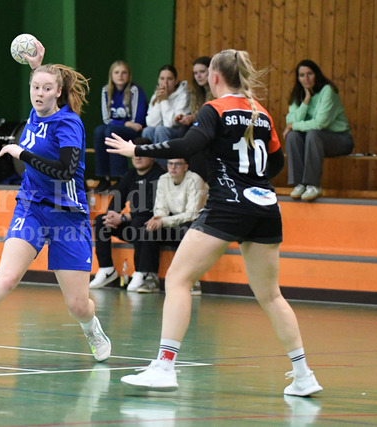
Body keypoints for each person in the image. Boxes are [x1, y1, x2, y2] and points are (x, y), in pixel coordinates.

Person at [105, 49, 322, 397]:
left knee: (177, 278)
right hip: (266, 207)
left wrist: (138, 150)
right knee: (271, 295)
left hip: (228, 206)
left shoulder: (214, 109)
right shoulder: (260, 112)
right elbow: (276, 163)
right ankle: (303, 375)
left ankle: (164, 367)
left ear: (215, 77)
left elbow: (188, 145)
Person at [0, 40, 111, 363]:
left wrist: (23, 154)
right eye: (35, 88)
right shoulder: (37, 111)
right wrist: (37, 66)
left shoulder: (69, 124)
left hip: (68, 215)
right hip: (31, 207)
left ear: (58, 93)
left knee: (78, 305)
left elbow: (65, 171)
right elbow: (42, 83)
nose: (39, 94)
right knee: (6, 277)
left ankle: (92, 328)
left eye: (47, 89)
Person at [88, 138, 164, 291]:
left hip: (156, 229)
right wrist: (111, 215)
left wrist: (123, 218)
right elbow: (119, 196)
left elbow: (152, 208)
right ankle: (107, 269)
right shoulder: (131, 174)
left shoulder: (160, 175)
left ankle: (141, 272)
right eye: (135, 153)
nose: (137, 157)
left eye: (142, 153)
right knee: (101, 221)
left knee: (140, 221)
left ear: (152, 156)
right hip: (135, 227)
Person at [134, 156, 206, 294]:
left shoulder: (195, 180)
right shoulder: (163, 179)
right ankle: (151, 278)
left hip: (197, 225)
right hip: (173, 222)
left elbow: (191, 214)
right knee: (150, 229)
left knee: (188, 230)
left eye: (177, 164)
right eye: (170, 164)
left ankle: (192, 279)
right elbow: (160, 207)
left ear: (186, 166)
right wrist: (157, 218)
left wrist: (164, 221)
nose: (173, 167)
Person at [284, 59, 354, 201]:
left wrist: (293, 126)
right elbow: (291, 120)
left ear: (317, 74)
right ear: (298, 78)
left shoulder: (328, 90)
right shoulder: (297, 94)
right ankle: (300, 184)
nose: (306, 78)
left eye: (310, 74)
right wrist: (306, 101)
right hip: (312, 141)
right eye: (302, 75)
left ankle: (313, 185)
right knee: (292, 136)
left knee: (313, 134)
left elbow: (320, 123)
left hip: (340, 139)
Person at [92, 60, 147, 194]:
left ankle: (120, 178)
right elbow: (106, 119)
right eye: (116, 72)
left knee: (111, 131)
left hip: (133, 132)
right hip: (118, 128)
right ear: (111, 75)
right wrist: (125, 123)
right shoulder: (106, 90)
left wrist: (124, 124)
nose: (120, 76)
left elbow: (137, 122)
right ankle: (103, 178)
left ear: (129, 75)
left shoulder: (135, 90)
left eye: (124, 73)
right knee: (99, 131)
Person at [174, 56, 215, 181]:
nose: (198, 76)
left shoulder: (215, 91)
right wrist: (185, 117)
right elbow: (196, 113)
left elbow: (211, 113)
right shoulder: (196, 92)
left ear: (211, 72)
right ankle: (183, 168)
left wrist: (193, 118)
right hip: (201, 128)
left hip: (213, 128)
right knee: (184, 129)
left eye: (202, 72)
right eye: (195, 73)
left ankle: (194, 174)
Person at [142, 65, 190, 146]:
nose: (165, 82)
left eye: (169, 79)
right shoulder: (156, 95)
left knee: (161, 130)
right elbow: (151, 124)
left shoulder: (183, 95)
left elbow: (170, 124)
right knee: (147, 131)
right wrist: (158, 101)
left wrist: (164, 100)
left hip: (178, 131)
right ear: (158, 80)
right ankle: (148, 155)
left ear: (176, 81)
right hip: (160, 129)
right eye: (162, 78)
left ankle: (162, 155)